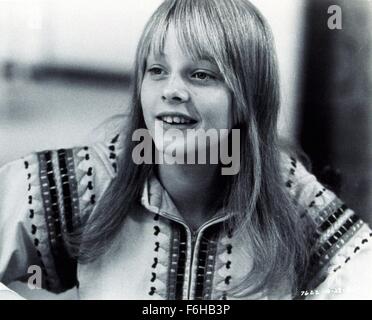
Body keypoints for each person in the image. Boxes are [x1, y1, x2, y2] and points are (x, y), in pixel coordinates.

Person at [0, 0, 371, 300]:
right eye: (157, 70)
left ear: (247, 99)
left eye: (201, 74)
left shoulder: (289, 193)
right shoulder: (86, 179)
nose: (171, 90)